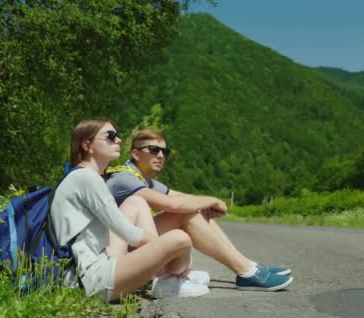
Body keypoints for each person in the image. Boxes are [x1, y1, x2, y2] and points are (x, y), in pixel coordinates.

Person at [105, 128, 293, 291]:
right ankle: (245, 271)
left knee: (193, 209)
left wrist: (206, 204)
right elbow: (173, 205)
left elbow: (179, 196)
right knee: (185, 213)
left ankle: (248, 266)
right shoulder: (124, 177)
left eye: (164, 151)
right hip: (115, 255)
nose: (161, 155)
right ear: (136, 154)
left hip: (132, 246)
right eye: (154, 150)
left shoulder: (146, 180)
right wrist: (211, 200)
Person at [50, 119, 210, 301]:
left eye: (117, 136)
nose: (118, 140)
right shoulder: (87, 179)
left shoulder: (83, 175)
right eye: (110, 136)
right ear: (87, 145)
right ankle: (167, 278)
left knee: (136, 202)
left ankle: (164, 278)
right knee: (180, 240)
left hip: (94, 264)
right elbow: (129, 233)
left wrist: (159, 253)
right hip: (90, 280)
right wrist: (165, 251)